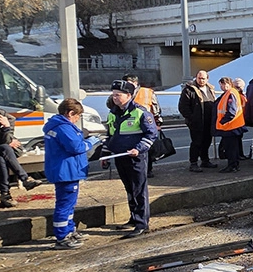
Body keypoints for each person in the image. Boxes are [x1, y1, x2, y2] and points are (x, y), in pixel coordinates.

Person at [104, 79, 158, 239]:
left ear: (128, 95)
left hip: (135, 157)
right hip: (120, 157)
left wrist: (138, 149)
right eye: (113, 95)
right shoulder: (113, 113)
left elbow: (151, 134)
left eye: (118, 95)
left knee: (139, 190)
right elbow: (110, 136)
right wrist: (105, 154)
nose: (114, 98)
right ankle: (134, 218)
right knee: (129, 189)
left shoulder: (140, 112)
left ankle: (142, 223)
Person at [42, 98, 99, 250]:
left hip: (64, 170)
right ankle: (62, 236)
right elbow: (76, 147)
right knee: (65, 205)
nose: (77, 119)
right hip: (66, 171)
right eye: (77, 116)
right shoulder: (64, 127)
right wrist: (91, 141)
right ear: (70, 113)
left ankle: (69, 230)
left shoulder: (55, 125)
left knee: (69, 204)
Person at [178, 69, 217, 172]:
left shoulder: (210, 88)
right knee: (196, 142)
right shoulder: (189, 90)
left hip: (208, 121)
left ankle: (205, 160)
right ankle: (193, 163)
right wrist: (191, 118)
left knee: (207, 141)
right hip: (196, 122)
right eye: (199, 78)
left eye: (203, 78)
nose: (201, 80)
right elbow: (183, 107)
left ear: (207, 79)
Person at [214, 76, 246, 172]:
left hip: (230, 126)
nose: (222, 88)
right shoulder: (233, 92)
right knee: (234, 147)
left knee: (230, 148)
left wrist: (222, 121)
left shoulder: (230, 93)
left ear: (227, 83)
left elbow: (231, 111)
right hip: (235, 125)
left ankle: (232, 166)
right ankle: (235, 165)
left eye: (222, 85)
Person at [132, 77, 163, 177]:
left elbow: (156, 108)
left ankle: (148, 170)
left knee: (147, 148)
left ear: (136, 83)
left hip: (146, 124)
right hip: (129, 126)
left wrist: (158, 123)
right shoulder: (121, 93)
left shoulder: (147, 92)